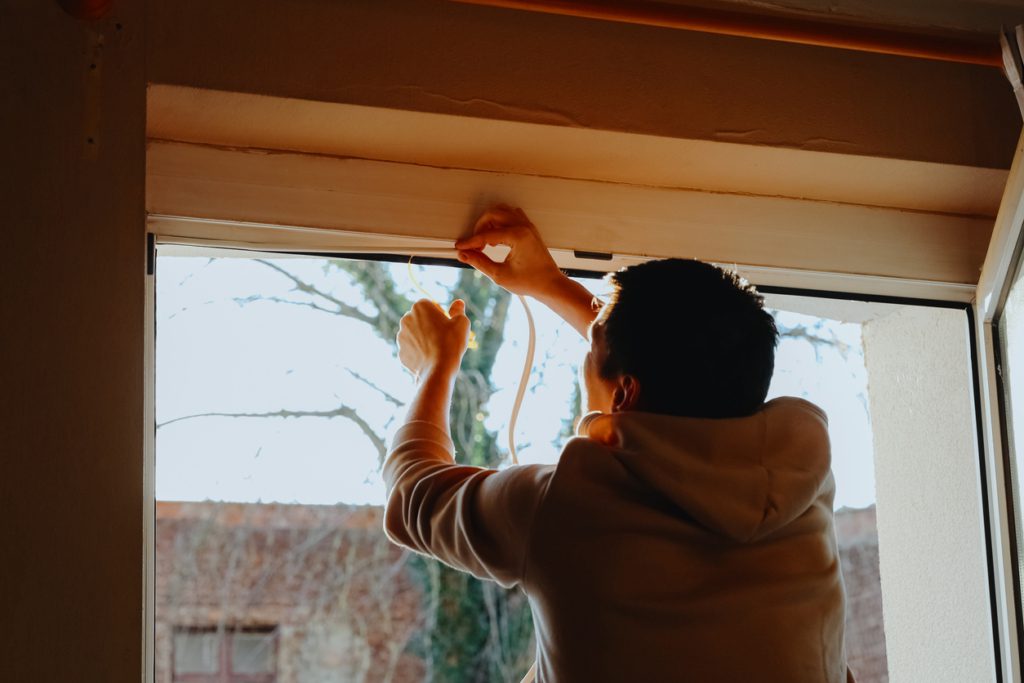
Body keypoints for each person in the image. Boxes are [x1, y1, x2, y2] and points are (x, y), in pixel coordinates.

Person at [383, 205, 850, 682]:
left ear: (625, 392)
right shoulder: (805, 483)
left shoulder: (564, 504)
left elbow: (411, 496)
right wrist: (551, 283)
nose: (587, 349)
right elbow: (678, 366)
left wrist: (433, 367)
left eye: (592, 346)